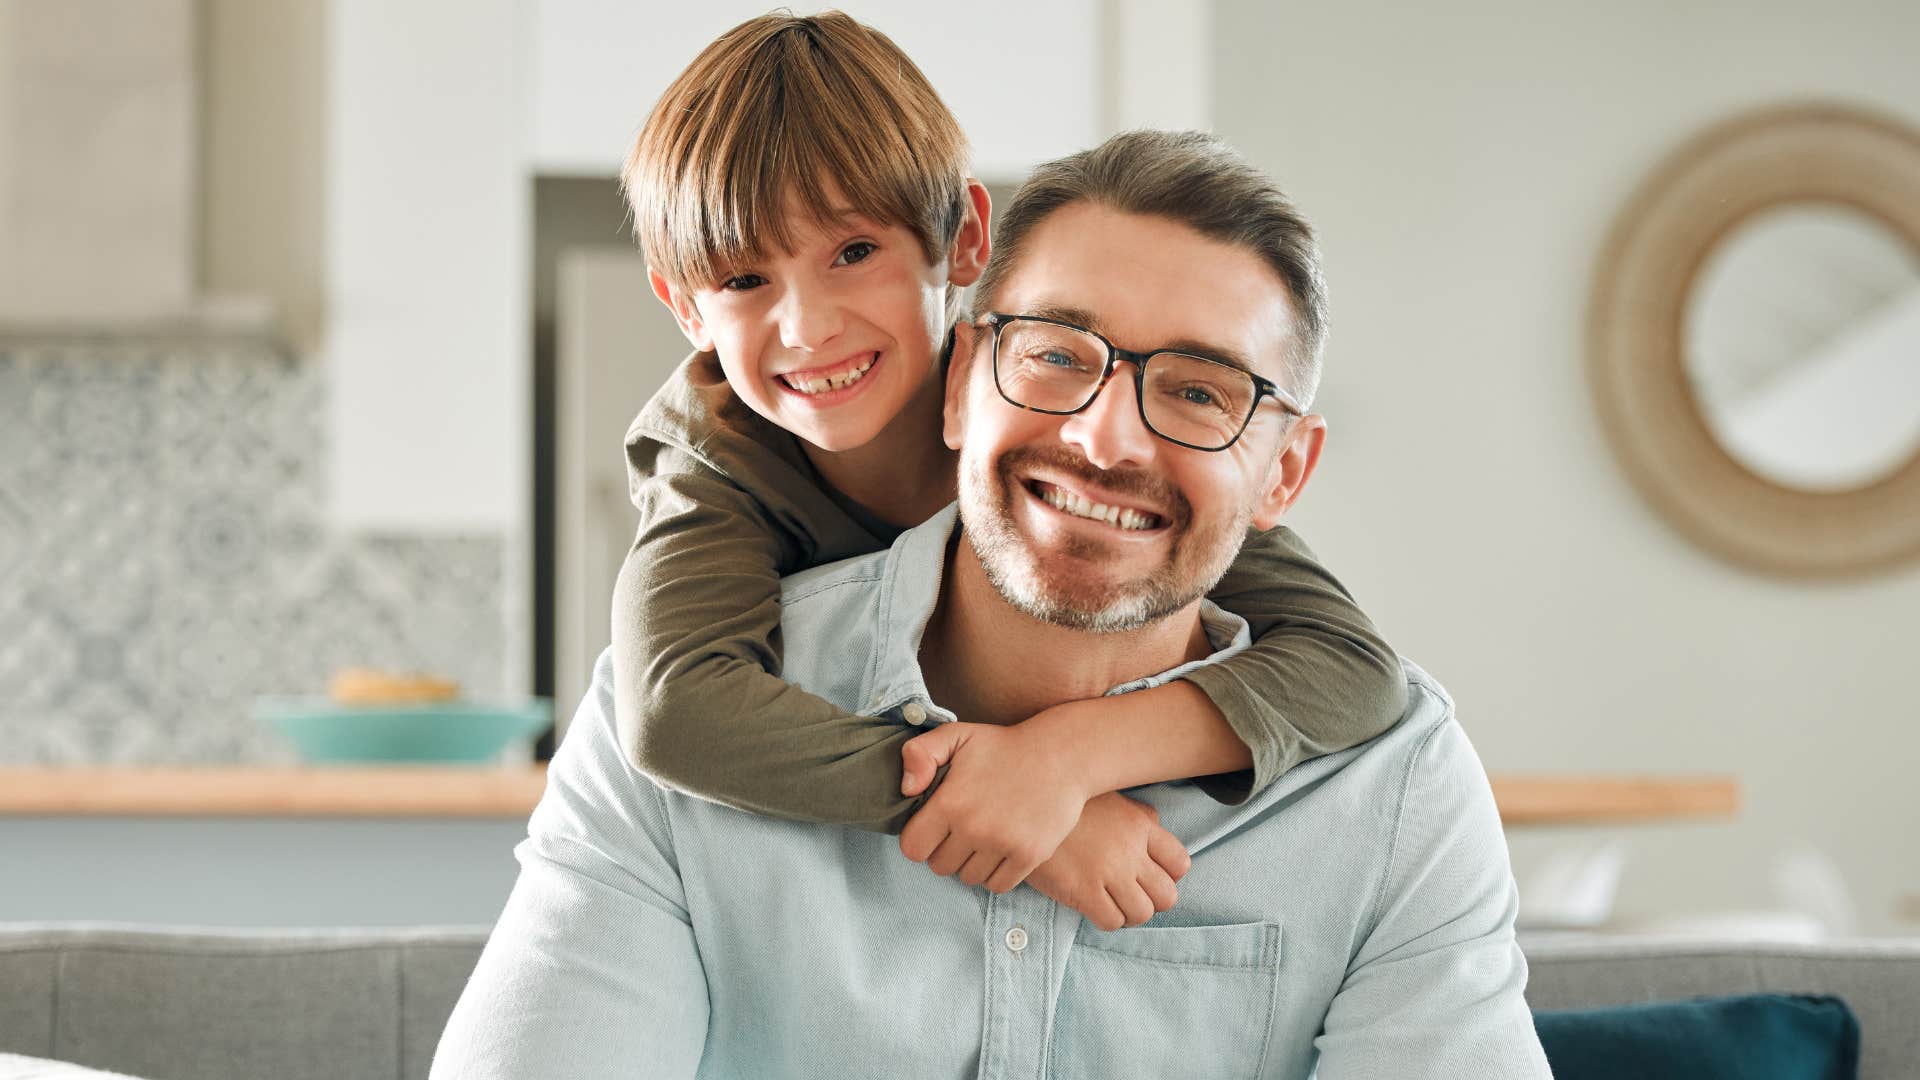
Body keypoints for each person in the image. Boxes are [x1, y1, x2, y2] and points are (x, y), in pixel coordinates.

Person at [433, 129, 1551, 1079]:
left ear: (1285, 476)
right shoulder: (680, 715)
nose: (1106, 439)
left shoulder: (1391, 785)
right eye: (1059, 355)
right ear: (961, 382)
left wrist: (1065, 760)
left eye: (1200, 392)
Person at [608, 9, 1406, 927]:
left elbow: (1351, 666)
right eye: (744, 281)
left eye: (855, 253)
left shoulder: (1049, 414)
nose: (808, 327)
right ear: (685, 309)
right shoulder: (713, 463)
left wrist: (1067, 760)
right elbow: (677, 712)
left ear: (963, 238)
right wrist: (999, 800)